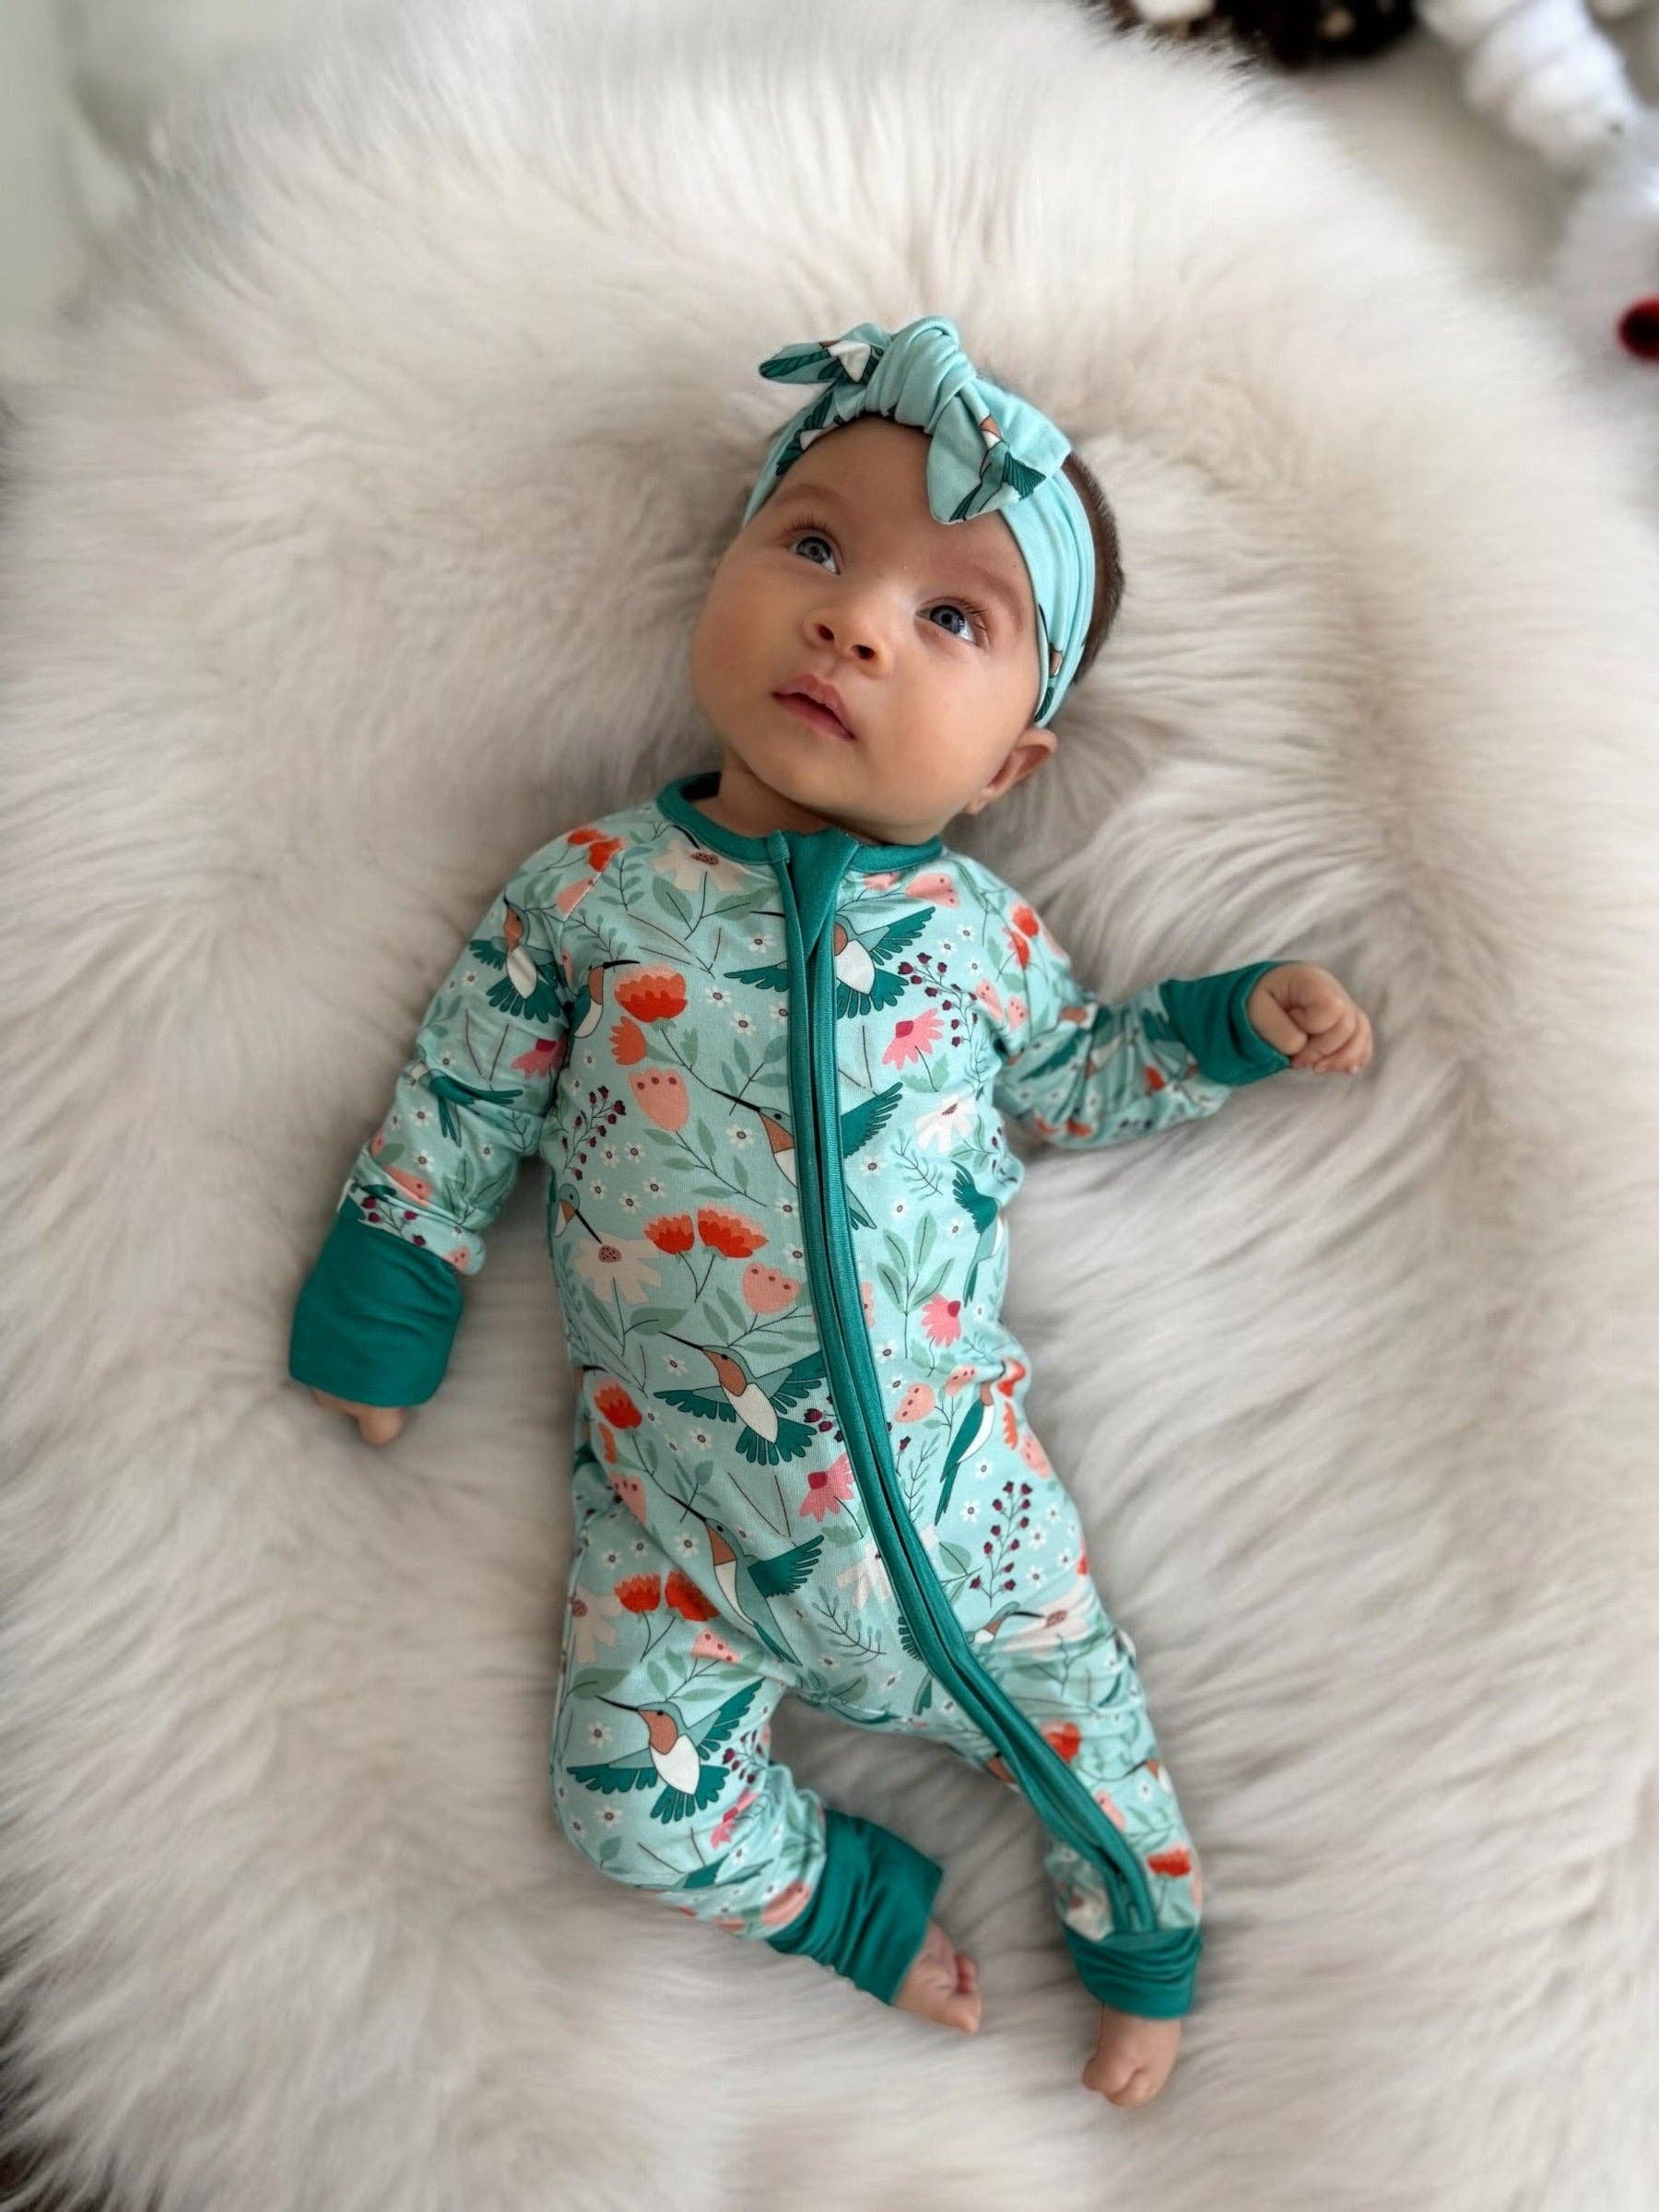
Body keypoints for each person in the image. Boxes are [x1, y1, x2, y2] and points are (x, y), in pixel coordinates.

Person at [289, 315, 1372, 2108]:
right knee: (620, 1807)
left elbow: (1080, 1081)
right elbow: (457, 1104)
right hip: (679, 1539)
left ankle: (1144, 1960)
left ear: (1008, 767)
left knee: (1106, 1761)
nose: (857, 622)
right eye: (813, 546)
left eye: (952, 619)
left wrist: (1228, 1028)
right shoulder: (588, 894)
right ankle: (850, 1904)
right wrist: (383, 1309)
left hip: (971, 1532)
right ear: (722, 574)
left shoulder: (977, 939)